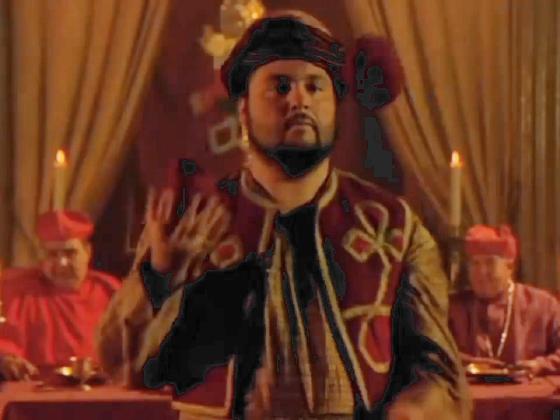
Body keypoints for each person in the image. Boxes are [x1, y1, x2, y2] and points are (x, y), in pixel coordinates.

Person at [97, 11, 471, 420]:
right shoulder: (193, 220)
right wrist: (159, 277)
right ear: (243, 111)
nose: (299, 100)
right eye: (280, 86)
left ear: (336, 106)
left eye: (315, 86)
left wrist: (414, 411)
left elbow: (438, 373)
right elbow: (121, 366)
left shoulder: (393, 225)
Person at [0, 210, 121, 380]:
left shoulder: (110, 290)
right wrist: (7, 359)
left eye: (70, 253)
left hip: (101, 387)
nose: (61, 263)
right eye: (52, 254)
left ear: (87, 252)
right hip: (34, 388)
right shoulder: (17, 289)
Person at [449, 224, 560, 376]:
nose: (481, 272)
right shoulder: (452, 307)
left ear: (509, 266)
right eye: (475, 263)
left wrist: (541, 365)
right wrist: (470, 363)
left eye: (490, 263)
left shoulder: (543, 305)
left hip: (527, 390)